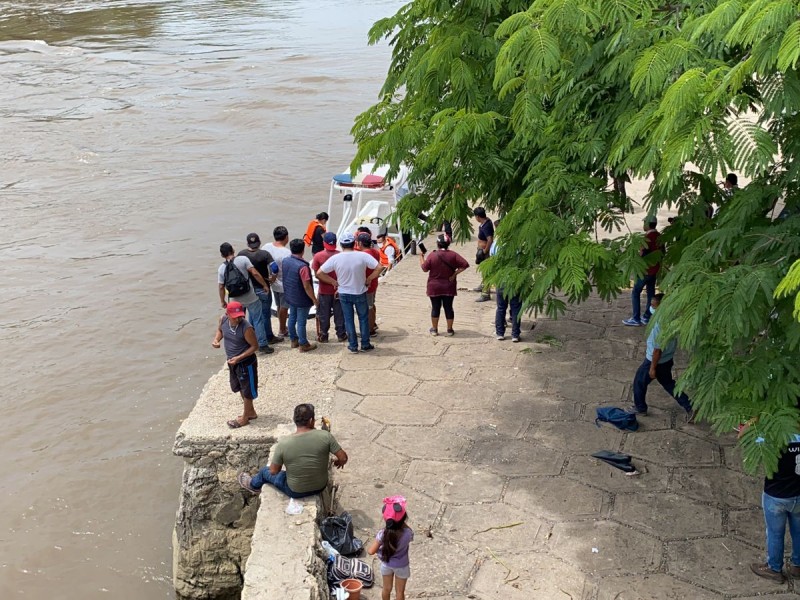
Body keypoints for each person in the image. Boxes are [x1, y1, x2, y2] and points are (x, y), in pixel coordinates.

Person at [237, 403, 348, 498]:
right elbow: (343, 458)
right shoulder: (325, 436)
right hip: (320, 487)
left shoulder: (284, 443)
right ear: (311, 421)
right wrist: (338, 462)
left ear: (295, 421)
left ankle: (253, 485)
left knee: (263, 472)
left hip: (295, 491)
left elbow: (273, 471)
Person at [628, 293, 694, 420]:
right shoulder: (674, 317)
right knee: (669, 383)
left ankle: (640, 407)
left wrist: (652, 368)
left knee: (639, 382)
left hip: (655, 361)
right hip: (667, 359)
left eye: (654, 305)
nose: (651, 307)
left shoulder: (659, 324)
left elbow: (657, 350)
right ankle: (689, 405)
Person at [316, 233, 382, 353]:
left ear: (341, 245)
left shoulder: (336, 258)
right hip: (360, 291)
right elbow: (379, 267)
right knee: (363, 318)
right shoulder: (362, 256)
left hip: (344, 293)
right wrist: (369, 278)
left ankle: (353, 345)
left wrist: (333, 282)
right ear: (354, 243)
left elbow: (319, 273)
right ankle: (365, 344)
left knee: (348, 319)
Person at [750, 431, 800, 583]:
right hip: (798, 495)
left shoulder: (770, 435)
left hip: (775, 495)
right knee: (798, 532)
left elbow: (747, 440)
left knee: (775, 533)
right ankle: (797, 565)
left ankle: (774, 568)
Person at [211, 301, 259, 429]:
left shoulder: (246, 328)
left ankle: (245, 418)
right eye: (235, 316)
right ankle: (251, 412)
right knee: (239, 387)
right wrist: (216, 340)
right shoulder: (223, 320)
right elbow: (220, 331)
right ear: (228, 314)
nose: (238, 319)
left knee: (247, 390)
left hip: (245, 363)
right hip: (233, 362)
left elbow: (255, 346)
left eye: (240, 316)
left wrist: (239, 357)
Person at [217, 242, 271, 354]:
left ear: (222, 255)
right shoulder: (243, 259)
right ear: (233, 250)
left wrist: (222, 301)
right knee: (257, 320)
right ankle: (262, 345)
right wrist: (264, 285)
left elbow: (221, 287)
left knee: (238, 323)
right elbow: (255, 273)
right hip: (250, 296)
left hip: (235, 301)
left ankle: (244, 345)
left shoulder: (221, 268)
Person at [419, 233, 469, 336]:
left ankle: (434, 329)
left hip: (434, 286)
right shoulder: (453, 255)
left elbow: (424, 268)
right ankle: (449, 329)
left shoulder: (432, 255)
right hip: (449, 286)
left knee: (435, 308)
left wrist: (421, 257)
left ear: (438, 244)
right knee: (449, 307)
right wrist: (454, 274)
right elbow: (465, 265)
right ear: (448, 244)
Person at [239, 233, 283, 348]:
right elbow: (274, 268)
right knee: (265, 314)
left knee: (253, 315)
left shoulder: (241, 254)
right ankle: (269, 337)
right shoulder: (264, 254)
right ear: (259, 242)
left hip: (249, 290)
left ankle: (253, 338)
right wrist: (272, 278)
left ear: (247, 243)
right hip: (263, 288)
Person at [367, 496, 414, 600]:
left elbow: (370, 551)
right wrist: (401, 521)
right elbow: (409, 532)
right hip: (402, 565)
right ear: (403, 519)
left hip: (387, 565)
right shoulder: (408, 533)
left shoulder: (383, 534)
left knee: (386, 589)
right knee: (400, 592)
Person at [623, 215, 662, 326]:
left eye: (644, 222)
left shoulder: (646, 238)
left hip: (644, 271)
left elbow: (641, 254)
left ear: (647, 224)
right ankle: (647, 316)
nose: (643, 224)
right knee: (650, 293)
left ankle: (636, 318)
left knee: (635, 292)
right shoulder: (660, 236)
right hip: (654, 270)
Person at [282, 238, 319, 352]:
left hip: (290, 295)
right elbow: (307, 286)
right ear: (303, 250)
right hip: (302, 298)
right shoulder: (303, 267)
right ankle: (303, 344)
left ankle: (294, 340)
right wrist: (314, 299)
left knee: (292, 317)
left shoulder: (285, 261)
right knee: (301, 322)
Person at [311, 232, 347, 343]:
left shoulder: (318, 256)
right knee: (339, 314)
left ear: (324, 243)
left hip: (324, 290)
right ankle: (341, 334)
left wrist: (330, 281)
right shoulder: (341, 255)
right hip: (339, 290)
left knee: (323, 314)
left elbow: (317, 273)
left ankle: (323, 335)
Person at [490, 228, 523, 342]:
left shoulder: (495, 245)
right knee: (516, 308)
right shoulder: (518, 245)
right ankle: (515, 335)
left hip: (501, 280)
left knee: (500, 308)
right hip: (515, 280)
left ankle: (500, 333)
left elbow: (492, 261)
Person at [264, 226, 292, 337]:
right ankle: (282, 330)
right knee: (284, 307)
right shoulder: (287, 253)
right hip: (284, 284)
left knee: (279, 306)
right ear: (286, 237)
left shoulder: (266, 247)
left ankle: (283, 326)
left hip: (272, 283)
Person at [357, 230, 382, 336]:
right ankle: (373, 324)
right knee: (371, 305)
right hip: (374, 283)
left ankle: (370, 330)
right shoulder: (375, 252)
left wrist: (369, 279)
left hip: (367, 285)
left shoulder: (363, 255)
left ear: (360, 243)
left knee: (369, 307)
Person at [473, 207, 494, 302]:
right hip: (481, 251)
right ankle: (483, 286)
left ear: (478, 216)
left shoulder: (486, 226)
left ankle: (485, 294)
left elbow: (489, 239)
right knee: (484, 271)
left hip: (485, 252)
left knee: (487, 273)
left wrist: (485, 251)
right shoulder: (485, 223)